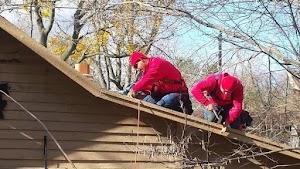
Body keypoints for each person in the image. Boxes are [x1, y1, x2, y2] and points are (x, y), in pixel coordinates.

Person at [127, 51, 193, 115]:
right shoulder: (146, 72)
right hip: (160, 94)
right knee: (145, 105)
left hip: (175, 93)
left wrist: (134, 89)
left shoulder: (158, 63)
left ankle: (177, 111)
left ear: (141, 59)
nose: (137, 69)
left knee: (159, 107)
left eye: (136, 65)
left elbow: (148, 78)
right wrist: (136, 94)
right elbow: (146, 86)